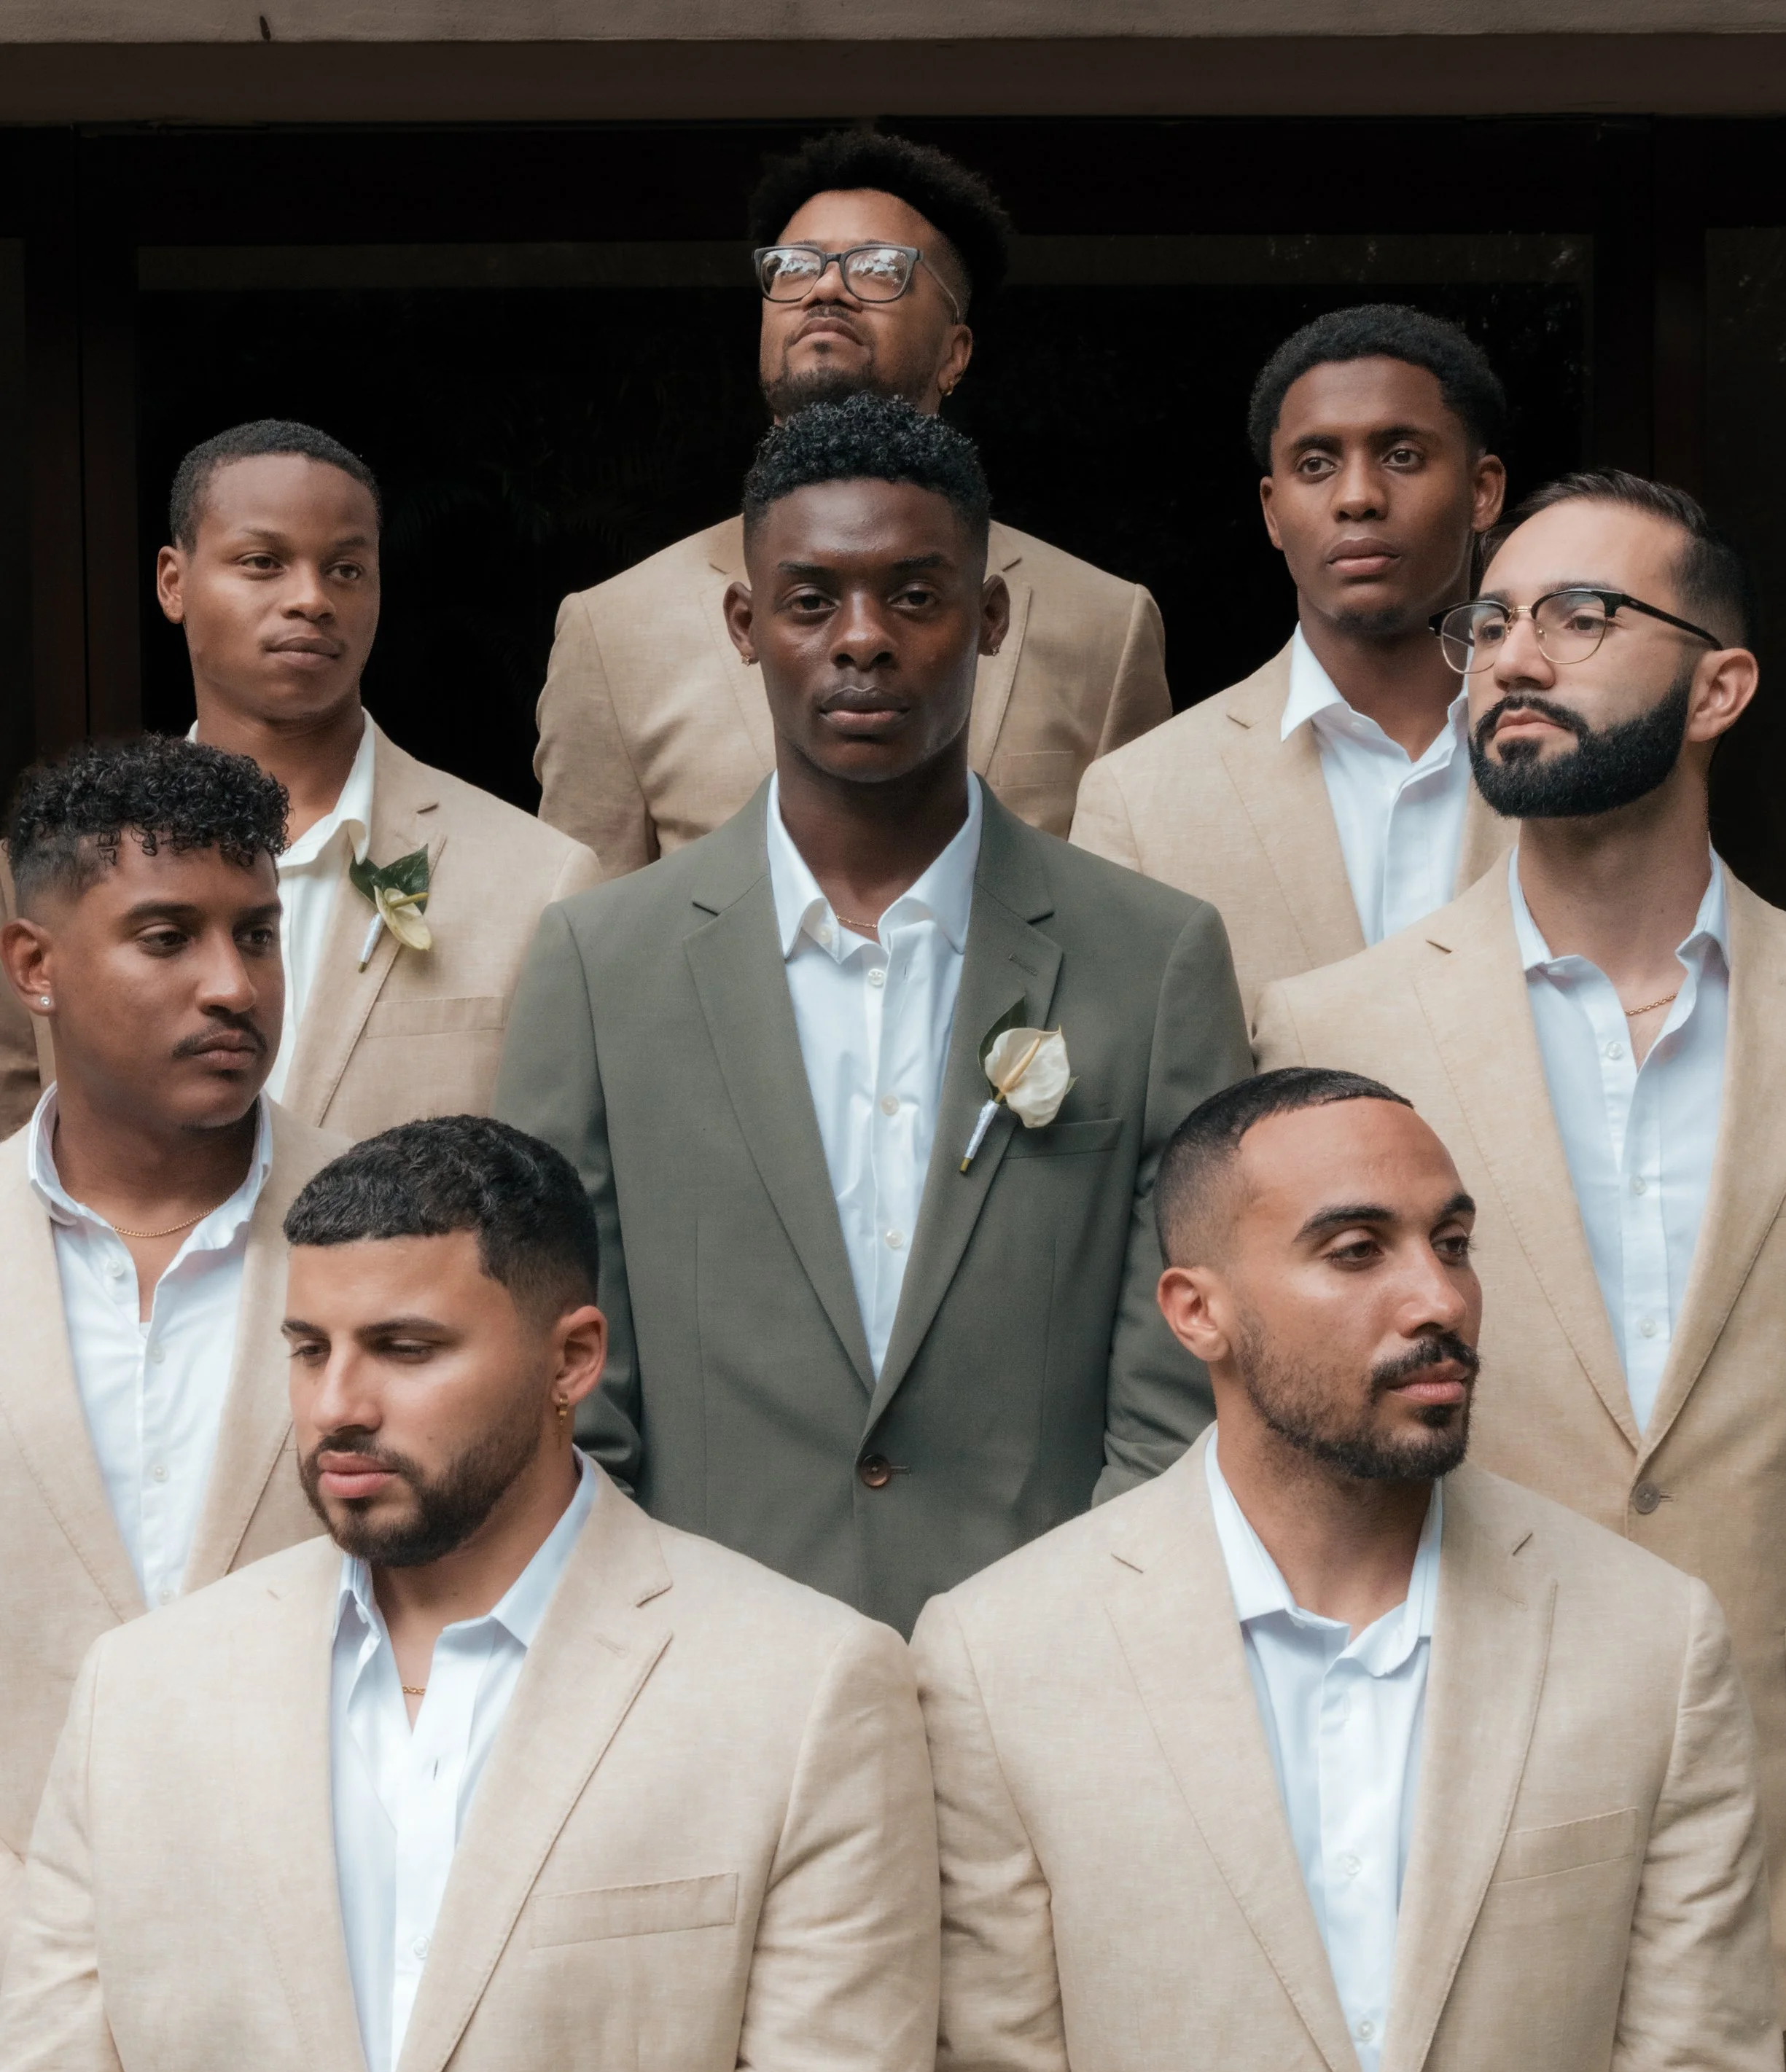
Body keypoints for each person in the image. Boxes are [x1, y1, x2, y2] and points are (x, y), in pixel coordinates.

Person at [0, 1115, 940, 2072]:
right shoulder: (142, 1692)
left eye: (406, 1349)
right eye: (309, 1348)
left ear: (572, 1359)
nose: (338, 1404)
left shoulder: (807, 1686)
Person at [910, 1066, 1781, 2072]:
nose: (1439, 1298)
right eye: (1357, 1249)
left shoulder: (1651, 1641)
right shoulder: (996, 1656)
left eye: (1454, 1241)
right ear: (1197, 1310)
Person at [1252, 471, 1786, 2072]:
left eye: (1581, 617)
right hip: (1437, 1911)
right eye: (1489, 621)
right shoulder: (1327, 1028)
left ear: (1720, 683)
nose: (1512, 654)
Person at [497, 394, 1249, 1637]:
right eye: (811, 601)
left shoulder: (1154, 957)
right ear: (746, 627)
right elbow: (567, 1371)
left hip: (1061, 1653)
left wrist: (1087, 1630)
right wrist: (652, 1642)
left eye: (914, 595)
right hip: (705, 1661)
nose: (863, 640)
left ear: (990, 616)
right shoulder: (597, 963)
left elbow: (1186, 1363)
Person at [0, 734, 343, 2072]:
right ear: (34, 965)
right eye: (167, 935)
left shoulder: (409, 1253)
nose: (233, 984)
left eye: (256, 933)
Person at [534, 129, 1171, 872]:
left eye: (877, 267)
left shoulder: (1106, 625)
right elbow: (589, 925)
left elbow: (1129, 917)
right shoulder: (612, 630)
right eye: (793, 267)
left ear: (956, 352)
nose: (825, 289)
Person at [0, 419, 602, 1143]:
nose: (312, 598)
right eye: (263, 562)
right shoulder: (41, 873)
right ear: (173, 582)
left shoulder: (540, 879)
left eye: (346, 570)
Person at [1074, 305, 1509, 1019]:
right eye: (1316, 465)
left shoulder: (1581, 746)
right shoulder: (1139, 800)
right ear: (1273, 512)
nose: (1358, 496)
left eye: (1402, 455)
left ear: (1482, 490)